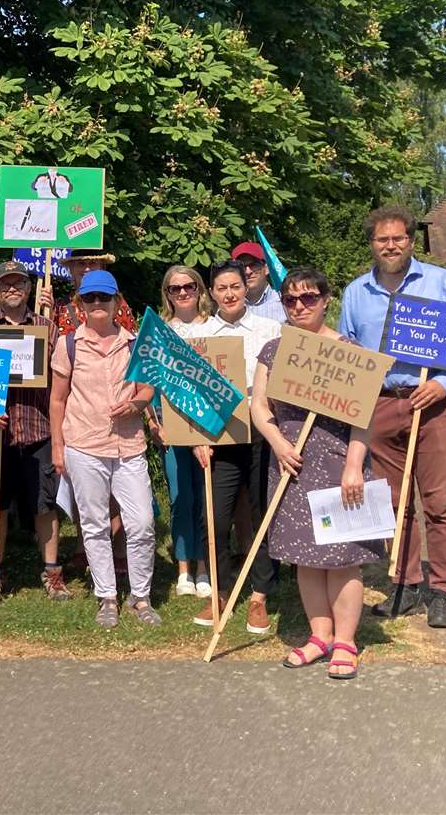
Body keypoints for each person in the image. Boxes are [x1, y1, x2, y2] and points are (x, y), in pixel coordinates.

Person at [339, 205, 446, 628]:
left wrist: (444, 384)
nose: (390, 245)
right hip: (381, 403)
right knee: (394, 504)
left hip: (430, 402)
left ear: (411, 240)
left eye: (398, 238)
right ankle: (406, 583)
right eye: (382, 239)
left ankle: (444, 590)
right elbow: (348, 351)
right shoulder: (356, 292)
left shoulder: (443, 283)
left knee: (439, 501)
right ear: (372, 244)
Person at [251, 265, 382, 678]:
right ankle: (319, 635)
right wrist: (278, 444)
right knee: (305, 558)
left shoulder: (349, 352)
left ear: (326, 300)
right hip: (291, 461)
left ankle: (345, 641)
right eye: (290, 299)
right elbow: (258, 405)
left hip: (338, 463)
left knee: (342, 558)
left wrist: (354, 467)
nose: (299, 305)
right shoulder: (274, 350)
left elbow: (365, 417)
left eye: (308, 297)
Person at [49, 270, 161, 629]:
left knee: (142, 523)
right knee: (94, 525)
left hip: (128, 447)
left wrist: (138, 404)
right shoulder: (68, 344)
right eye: (90, 298)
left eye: (104, 298)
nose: (98, 304)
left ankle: (140, 596)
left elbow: (147, 391)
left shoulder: (133, 344)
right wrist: (57, 446)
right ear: (81, 304)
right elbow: (57, 399)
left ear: (116, 302)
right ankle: (107, 597)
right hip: (83, 445)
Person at [189, 260, 283, 633]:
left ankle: (260, 595)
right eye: (221, 288)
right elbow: (190, 391)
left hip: (262, 428)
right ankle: (221, 592)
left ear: (246, 287)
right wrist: (197, 436)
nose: (229, 293)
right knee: (214, 517)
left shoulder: (270, 329)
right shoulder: (203, 334)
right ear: (211, 292)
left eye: (235, 286)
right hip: (218, 434)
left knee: (262, 514)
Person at [0, 261, 66, 600]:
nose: (12, 288)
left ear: (29, 288)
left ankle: (51, 573)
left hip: (38, 428)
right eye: (6, 284)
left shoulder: (47, 329)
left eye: (18, 282)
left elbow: (61, 380)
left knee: (45, 506)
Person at [159, 264, 212, 598]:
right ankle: (183, 569)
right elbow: (149, 380)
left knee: (206, 500)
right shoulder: (160, 331)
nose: (182, 293)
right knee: (181, 498)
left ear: (199, 289)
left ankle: (205, 567)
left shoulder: (216, 328)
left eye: (188, 286)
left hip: (209, 428)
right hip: (173, 424)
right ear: (167, 294)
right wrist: (155, 424)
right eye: (175, 288)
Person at [231, 242, 287, 324]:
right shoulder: (229, 306)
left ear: (267, 268)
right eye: (241, 266)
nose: (248, 271)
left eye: (254, 265)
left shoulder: (285, 302)